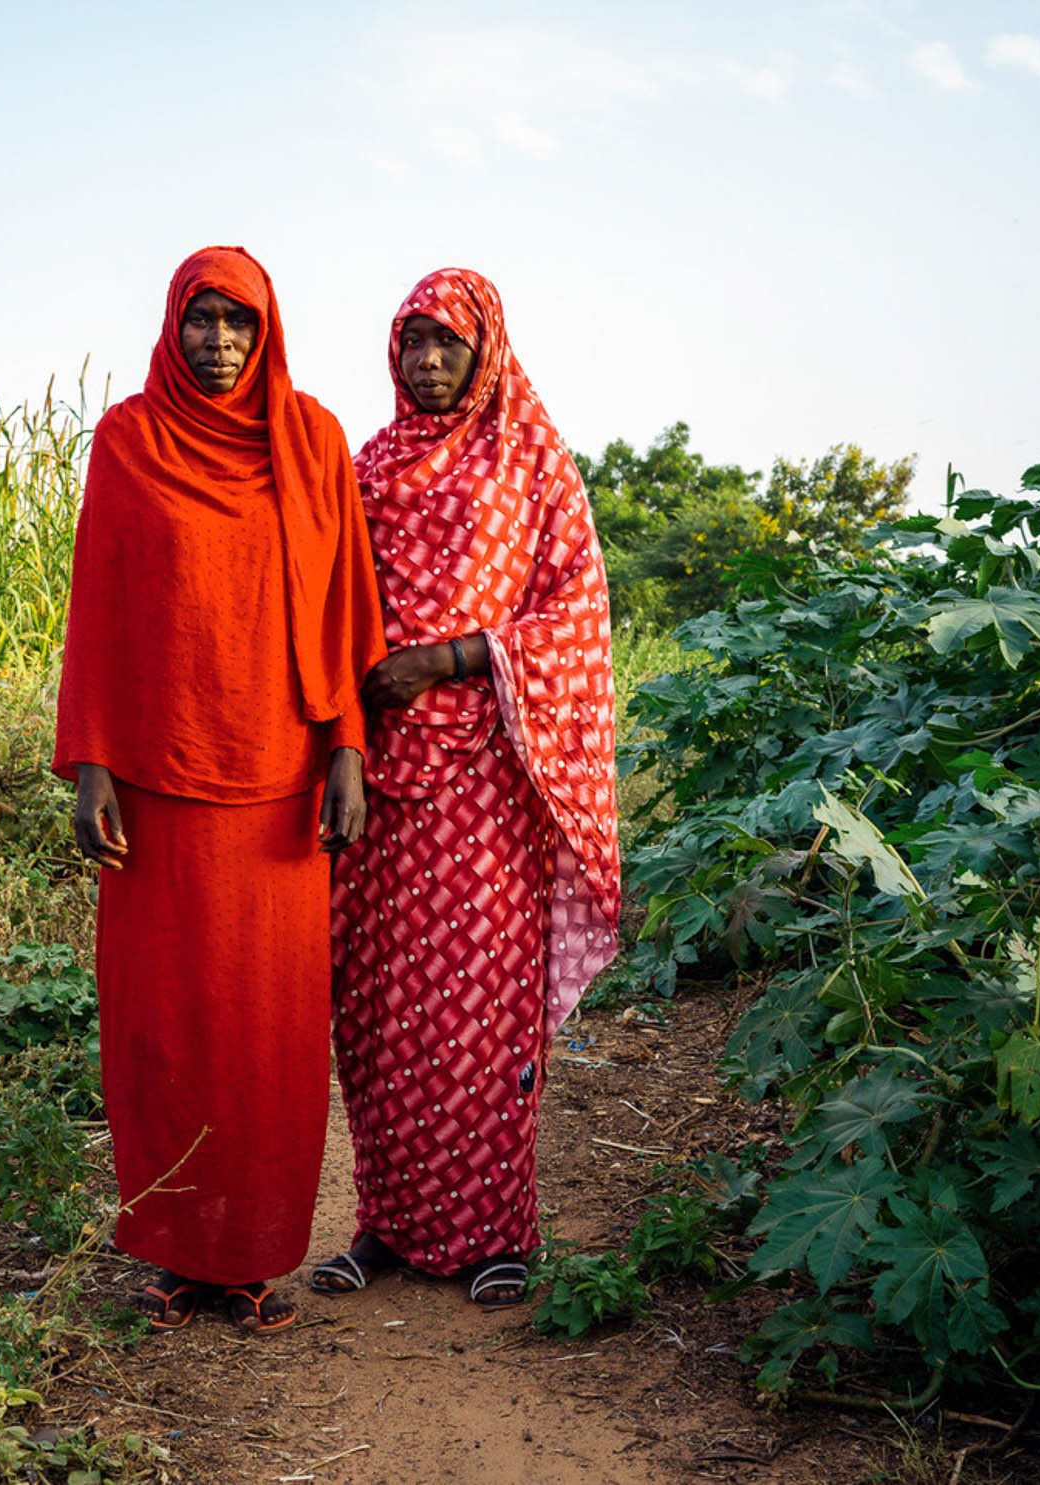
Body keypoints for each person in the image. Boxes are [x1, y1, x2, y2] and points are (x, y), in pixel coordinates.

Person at [53, 246, 386, 1332]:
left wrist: (346, 748)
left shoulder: (313, 440)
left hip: (280, 786)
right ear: (171, 325)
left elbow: (345, 603)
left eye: (239, 323)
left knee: (265, 1031)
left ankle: (247, 1259)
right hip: (157, 780)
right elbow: (97, 601)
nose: (219, 343)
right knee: (166, 1030)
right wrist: (91, 762)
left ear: (269, 331)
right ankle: (175, 1250)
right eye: (201, 320)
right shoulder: (130, 440)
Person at [317, 267, 621, 1306]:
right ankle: (384, 1226)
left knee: (479, 1006)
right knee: (378, 1006)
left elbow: (576, 621)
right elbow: (330, 613)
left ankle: (497, 1234)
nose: (429, 362)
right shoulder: (368, 469)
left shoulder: (532, 469)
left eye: (447, 342)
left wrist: (447, 660)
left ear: (485, 348)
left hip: (489, 781)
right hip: (381, 780)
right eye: (412, 343)